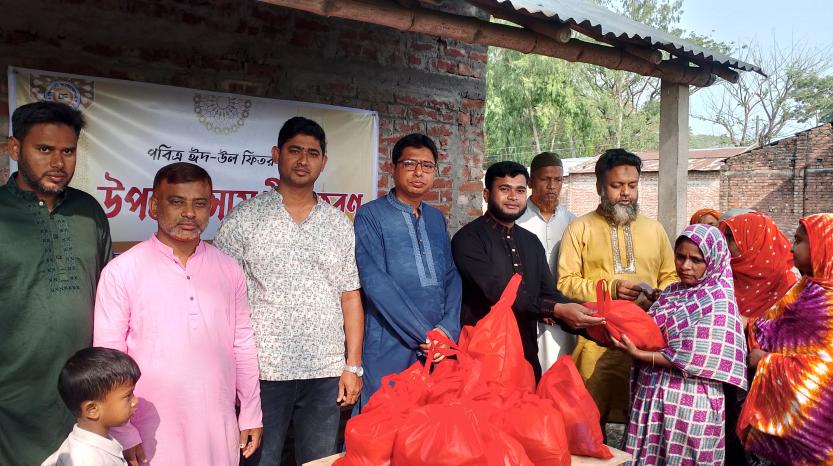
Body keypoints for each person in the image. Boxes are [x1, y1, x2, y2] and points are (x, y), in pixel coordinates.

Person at [214, 117, 363, 465]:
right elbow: (220, 297)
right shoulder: (245, 218)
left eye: (312, 153)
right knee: (258, 461)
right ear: (276, 155)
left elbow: (350, 296)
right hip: (262, 374)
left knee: (319, 461)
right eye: (294, 150)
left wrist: (352, 366)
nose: (303, 160)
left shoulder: (339, 224)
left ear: (323, 162)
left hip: (325, 374)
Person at [94, 163, 262, 465]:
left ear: (212, 207)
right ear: (154, 205)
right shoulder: (122, 272)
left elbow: (243, 345)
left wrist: (250, 410)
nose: (189, 213)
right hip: (149, 433)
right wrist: (124, 429)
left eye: (199, 203)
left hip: (217, 427)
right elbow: (108, 360)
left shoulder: (228, 269)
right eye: (176, 202)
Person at [0, 101, 112, 465]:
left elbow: (109, 294)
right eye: (44, 149)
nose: (58, 163)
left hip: (83, 395)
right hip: (13, 399)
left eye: (68, 151)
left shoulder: (89, 211)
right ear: (15, 149)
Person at [558, 148, 678, 427]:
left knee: (642, 419)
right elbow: (565, 282)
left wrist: (661, 295)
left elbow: (670, 276)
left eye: (632, 185)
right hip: (597, 340)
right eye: (616, 185)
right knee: (589, 418)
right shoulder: (580, 228)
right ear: (600, 187)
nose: (626, 192)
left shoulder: (655, 229)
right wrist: (610, 289)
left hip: (645, 341)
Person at [452, 161, 603, 381]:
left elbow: (549, 294)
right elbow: (500, 295)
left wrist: (593, 326)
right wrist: (558, 309)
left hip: (525, 354)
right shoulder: (468, 240)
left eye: (520, 190)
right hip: (480, 358)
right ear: (486, 194)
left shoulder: (531, 242)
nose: (513, 196)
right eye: (504, 189)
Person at [613, 224, 748, 466]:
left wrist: (640, 354)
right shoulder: (672, 292)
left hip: (691, 406)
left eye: (696, 260)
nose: (685, 266)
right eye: (680, 257)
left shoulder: (718, 300)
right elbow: (649, 331)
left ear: (714, 260)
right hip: (652, 394)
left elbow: (695, 357)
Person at [353, 133, 461, 410]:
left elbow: (451, 277)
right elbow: (375, 282)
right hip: (389, 341)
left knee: (426, 428)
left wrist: (447, 330)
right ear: (393, 168)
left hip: (435, 348)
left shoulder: (436, 219)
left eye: (426, 166)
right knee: (379, 424)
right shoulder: (371, 215)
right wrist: (426, 336)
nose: (418, 173)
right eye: (410, 164)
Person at [738, 213, 833, 466]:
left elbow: (825, 371)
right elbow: (774, 327)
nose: (792, 247)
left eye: (799, 240)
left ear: (824, 246)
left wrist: (767, 362)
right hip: (783, 414)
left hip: (815, 425)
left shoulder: (827, 303)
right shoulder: (806, 288)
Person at [718, 211, 797, 465]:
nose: (726, 245)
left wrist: (748, 323)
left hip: (768, 375)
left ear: (752, 241)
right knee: (731, 433)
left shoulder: (788, 283)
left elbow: (793, 334)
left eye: (731, 239)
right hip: (728, 371)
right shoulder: (724, 274)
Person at [516, 152, 577, 369]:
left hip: (565, 313)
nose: (552, 186)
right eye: (545, 179)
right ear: (531, 182)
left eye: (557, 180)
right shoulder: (517, 220)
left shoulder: (573, 222)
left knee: (563, 372)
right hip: (526, 311)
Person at [42, 347, 140, 466]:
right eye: (128, 395)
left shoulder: (87, 447)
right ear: (92, 410)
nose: (135, 401)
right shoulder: (88, 460)